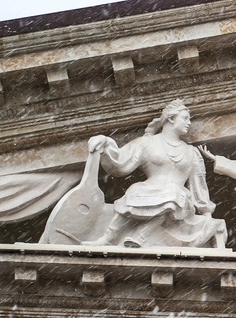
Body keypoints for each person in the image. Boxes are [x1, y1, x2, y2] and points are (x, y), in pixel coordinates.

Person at [85, 100, 227, 249]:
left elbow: (198, 186)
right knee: (134, 190)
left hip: (180, 201)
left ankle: (140, 237)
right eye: (185, 118)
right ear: (171, 119)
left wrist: (206, 213)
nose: (189, 123)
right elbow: (121, 164)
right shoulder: (147, 143)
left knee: (173, 195)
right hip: (148, 192)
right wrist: (105, 143)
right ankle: (107, 238)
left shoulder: (192, 153)